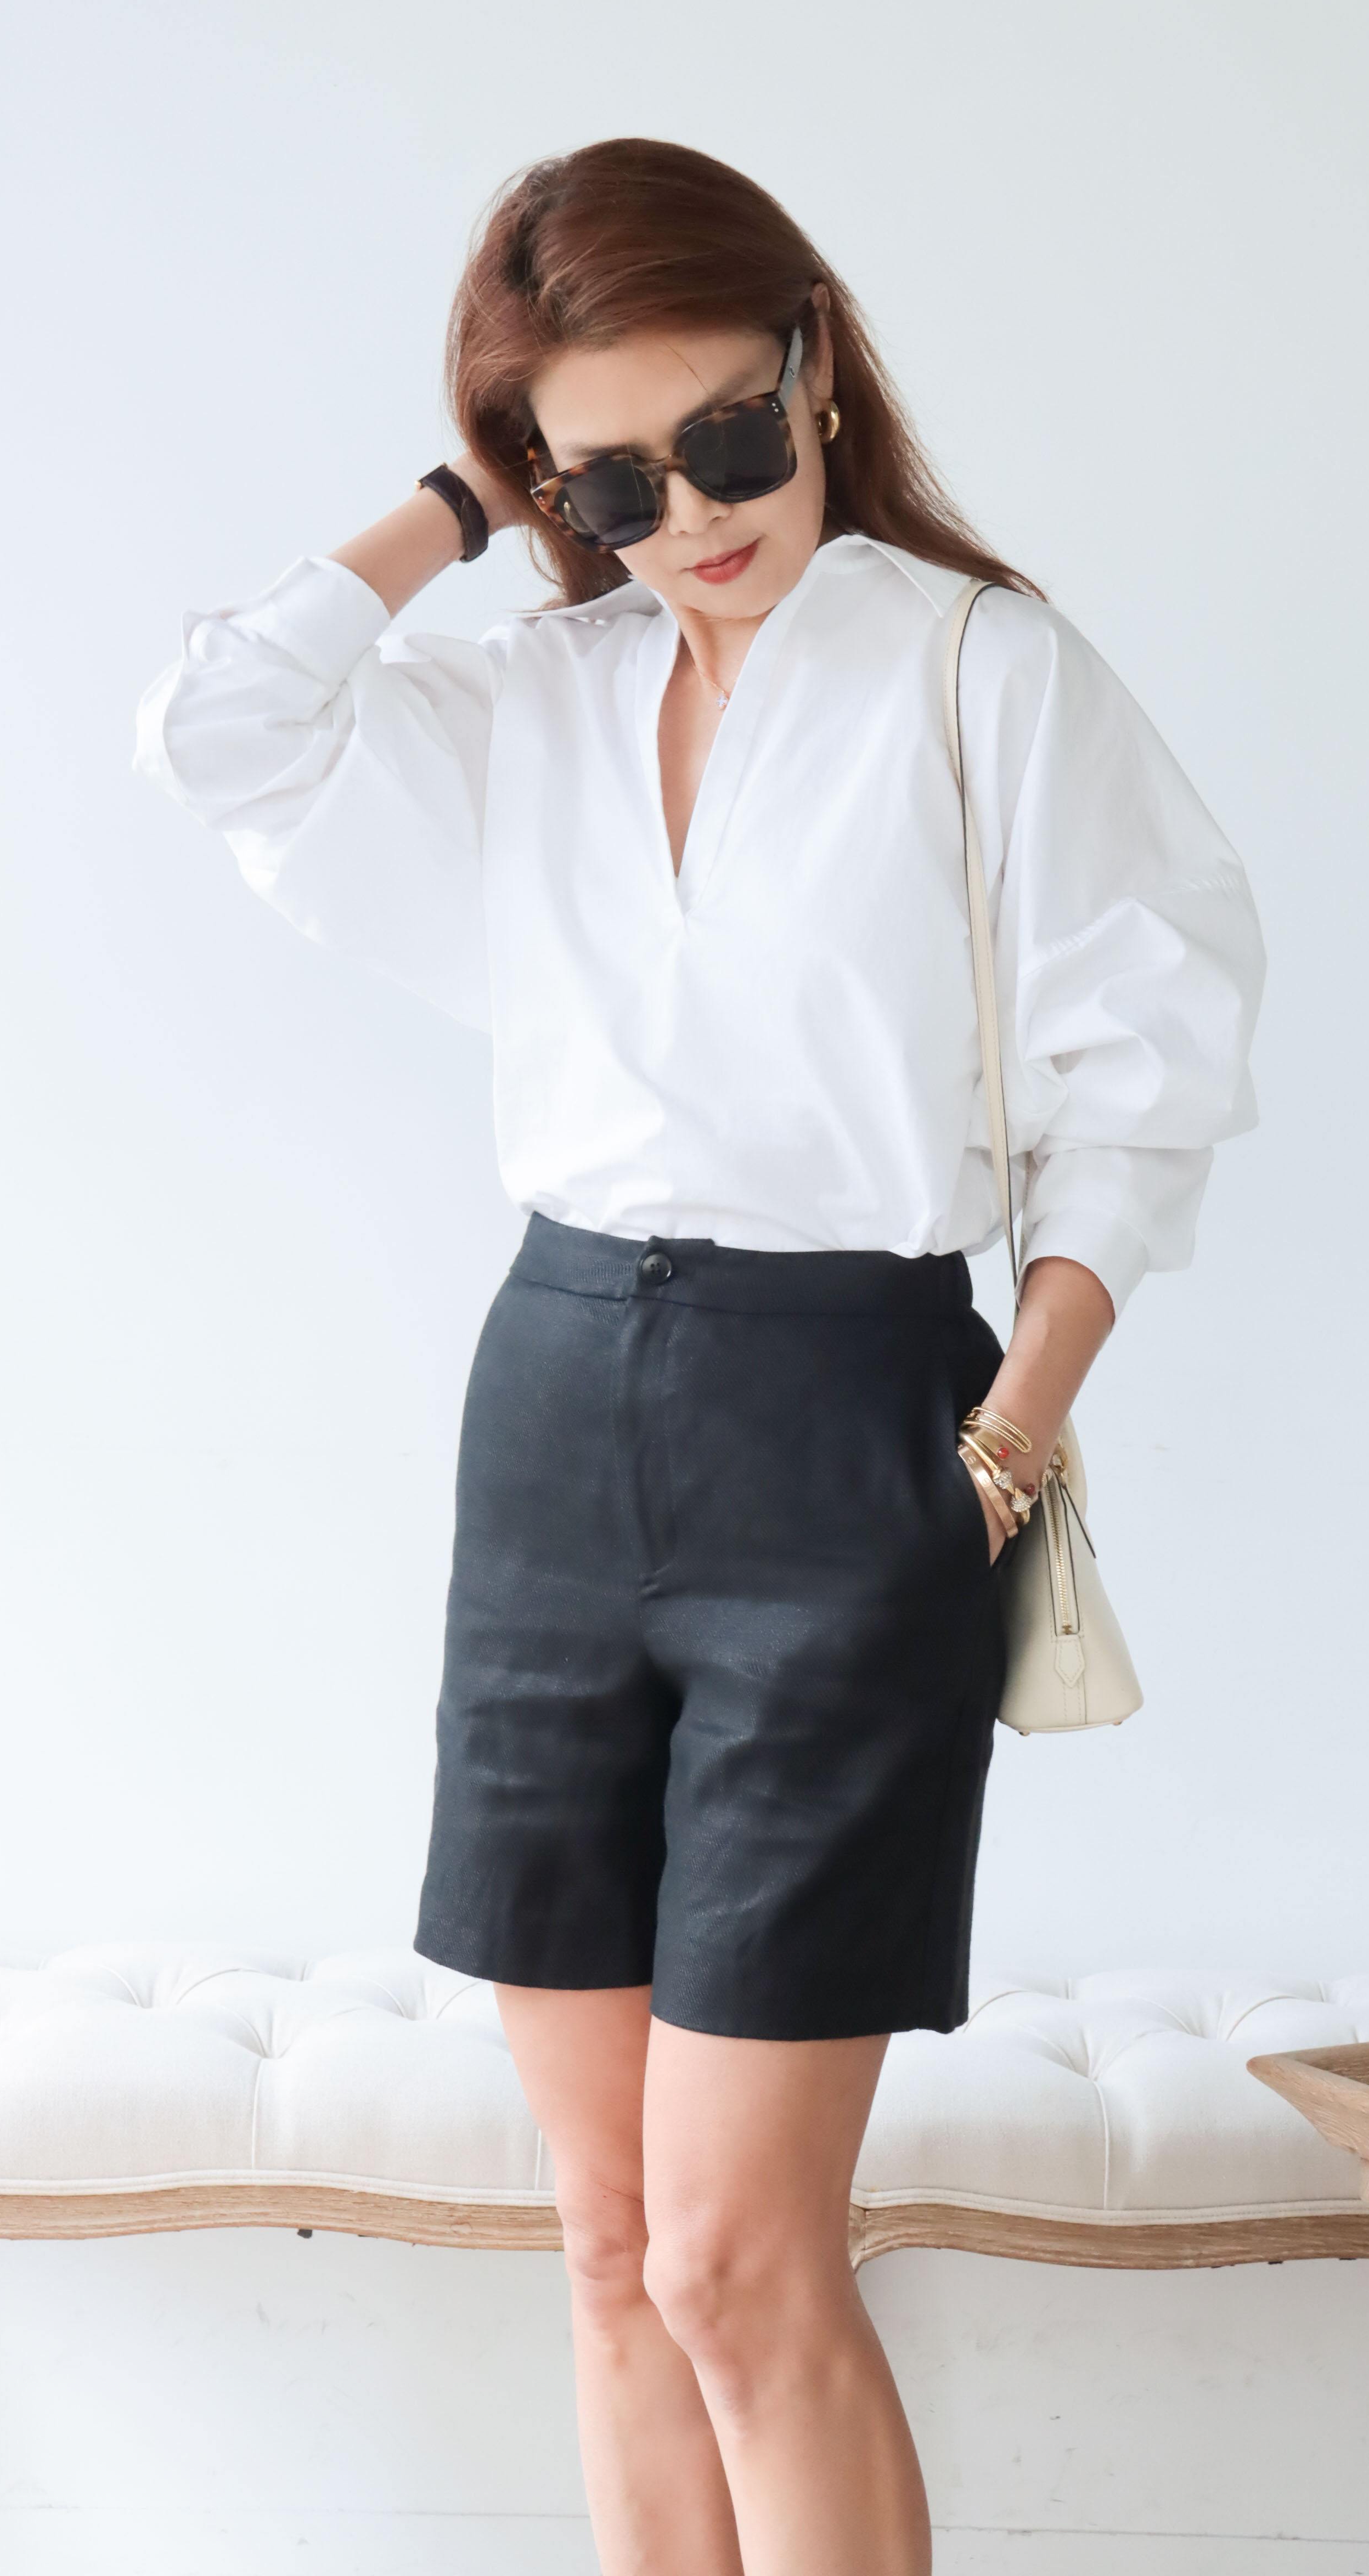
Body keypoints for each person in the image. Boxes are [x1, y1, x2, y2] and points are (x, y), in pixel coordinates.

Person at [134, 136, 1264, 2576]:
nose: (693, 518)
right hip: (552, 1421)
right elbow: (219, 732)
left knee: (745, 2261)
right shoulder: (540, 689)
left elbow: (1145, 1085)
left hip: (848, 1431)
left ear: (816, 367)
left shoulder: (980, 669)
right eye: (614, 480)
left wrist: (999, 1444)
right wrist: (466, 504)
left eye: (729, 439)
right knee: (614, 2245)